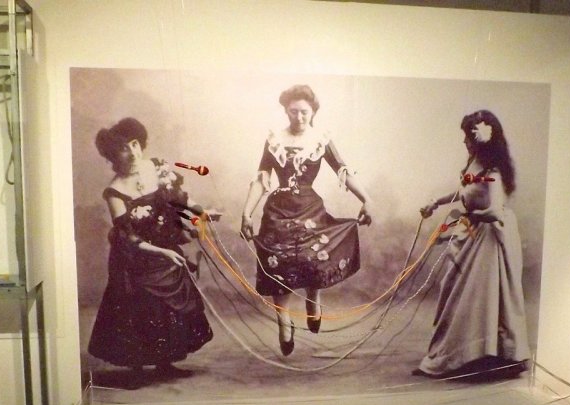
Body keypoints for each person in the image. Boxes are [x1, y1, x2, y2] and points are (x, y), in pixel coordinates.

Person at [240, 85, 372, 356]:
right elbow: (262, 178)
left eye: (304, 112)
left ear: (313, 112)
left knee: (314, 257)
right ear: (285, 111)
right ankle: (284, 321)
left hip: (309, 208)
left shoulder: (321, 139)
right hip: (278, 210)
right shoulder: (274, 139)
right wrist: (246, 212)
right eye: (293, 112)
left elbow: (343, 171)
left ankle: (313, 297)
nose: (299, 117)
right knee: (278, 262)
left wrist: (366, 199)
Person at [87, 117, 213, 382]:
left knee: (166, 310)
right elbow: (128, 237)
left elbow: (180, 199)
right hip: (135, 258)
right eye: (124, 148)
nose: (133, 152)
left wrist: (201, 213)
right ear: (114, 154)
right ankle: (136, 369)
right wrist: (163, 252)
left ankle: (165, 364)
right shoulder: (114, 191)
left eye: (135, 144)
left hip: (165, 245)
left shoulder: (156, 167)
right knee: (139, 309)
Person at [416, 109, 530, 377]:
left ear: (486, 135)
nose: (465, 140)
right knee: (456, 290)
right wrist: (436, 202)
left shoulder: (494, 171)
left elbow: (495, 211)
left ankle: (487, 354)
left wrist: (468, 218)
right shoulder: (476, 164)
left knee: (480, 296)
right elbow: (466, 190)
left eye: (470, 134)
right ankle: (465, 353)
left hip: (490, 237)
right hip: (475, 231)